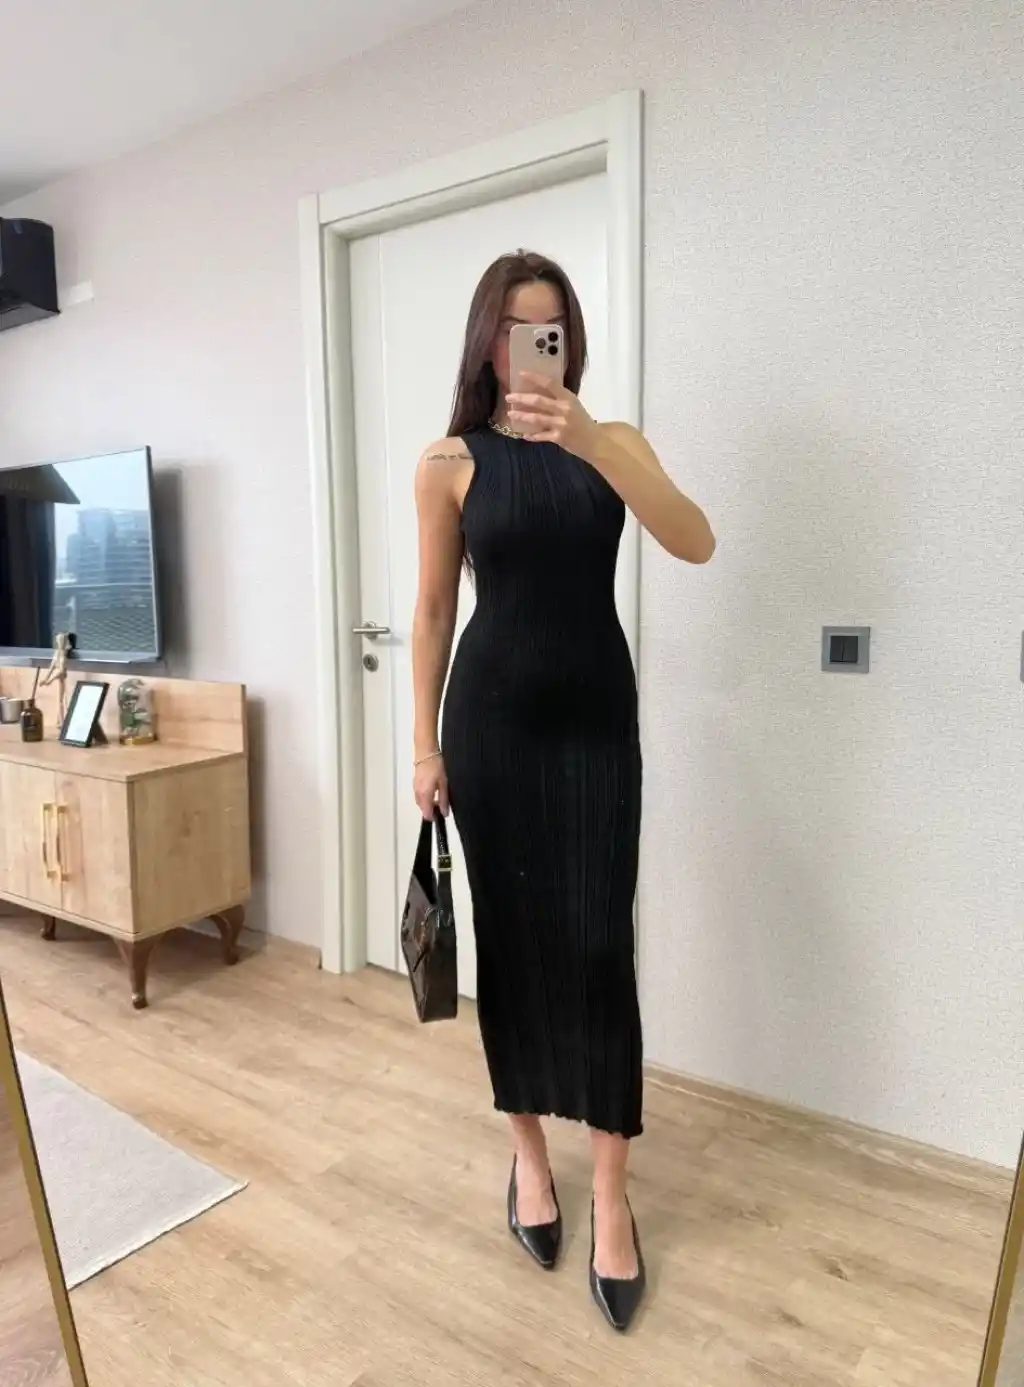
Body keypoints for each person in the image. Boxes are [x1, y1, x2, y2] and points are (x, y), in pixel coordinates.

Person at [411, 249, 715, 1332]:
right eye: (513, 330)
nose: (530, 348)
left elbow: (695, 541)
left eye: (549, 329)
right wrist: (421, 746)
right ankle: (530, 1159)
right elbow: (432, 612)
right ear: (486, 342)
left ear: (569, 342)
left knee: (596, 949)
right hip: (490, 729)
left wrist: (589, 441)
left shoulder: (614, 442)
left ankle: (611, 1191)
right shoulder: (448, 462)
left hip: (593, 727)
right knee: (515, 948)